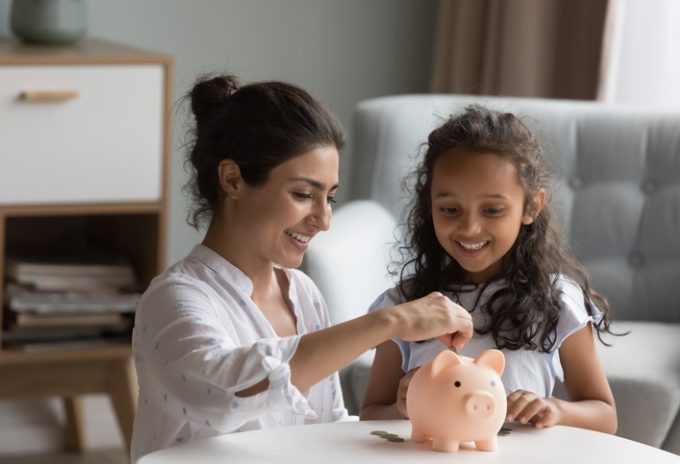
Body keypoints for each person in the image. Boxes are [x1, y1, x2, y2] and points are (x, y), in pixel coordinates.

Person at [130, 74, 474, 463]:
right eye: (303, 195)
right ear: (232, 179)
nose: (324, 219)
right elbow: (227, 393)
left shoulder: (302, 293)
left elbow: (325, 426)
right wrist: (389, 322)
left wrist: (410, 408)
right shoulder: (174, 298)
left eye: (329, 197)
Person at [359, 105, 618, 434]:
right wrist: (402, 407)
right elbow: (369, 414)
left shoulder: (558, 301)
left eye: (492, 210)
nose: (469, 227)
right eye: (450, 209)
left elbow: (605, 416)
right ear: (429, 206)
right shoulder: (405, 306)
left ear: (531, 207)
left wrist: (555, 409)